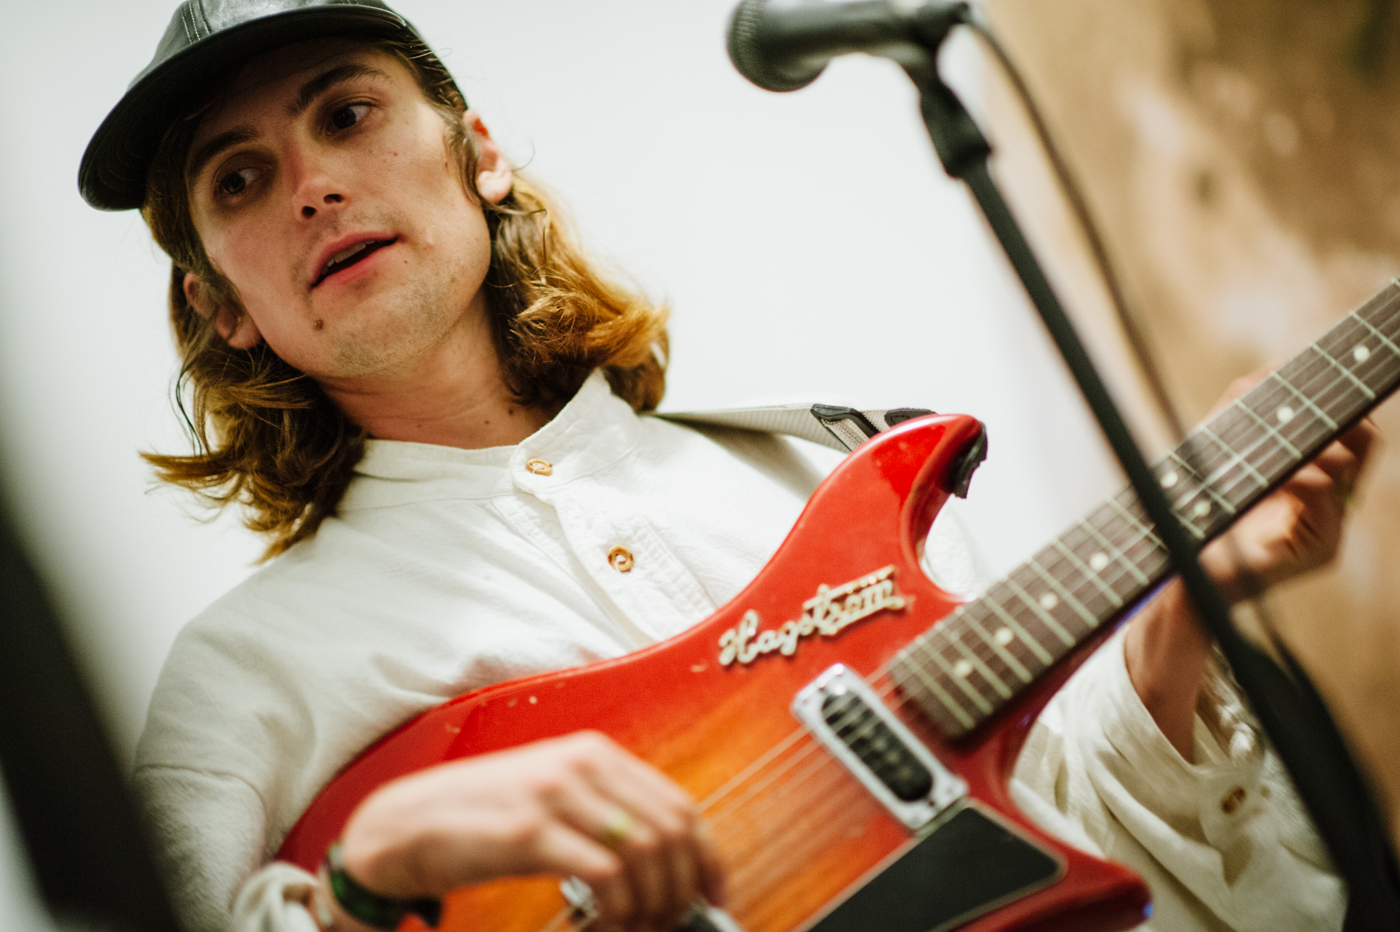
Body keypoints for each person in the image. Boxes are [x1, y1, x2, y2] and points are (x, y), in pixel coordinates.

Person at [78, 2, 1372, 930]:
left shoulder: (832, 470)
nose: (309, 185)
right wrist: (369, 884)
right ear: (222, 303)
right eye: (240, 179)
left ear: (479, 152)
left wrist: (1166, 641)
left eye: (348, 114)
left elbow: (1068, 825)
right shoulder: (240, 677)